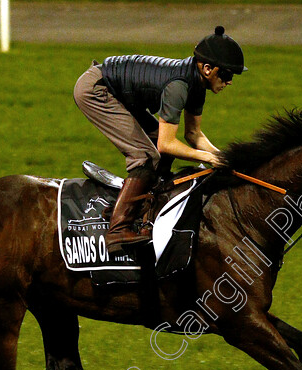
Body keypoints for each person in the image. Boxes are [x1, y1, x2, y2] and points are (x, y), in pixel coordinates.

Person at [73, 26, 246, 255]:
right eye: (226, 75)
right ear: (207, 68)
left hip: (119, 91)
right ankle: (118, 229)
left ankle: (142, 206)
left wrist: (222, 158)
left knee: (159, 148)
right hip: (97, 90)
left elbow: (193, 135)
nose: (229, 81)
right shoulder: (179, 87)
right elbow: (166, 144)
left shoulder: (197, 86)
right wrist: (207, 157)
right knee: (145, 156)